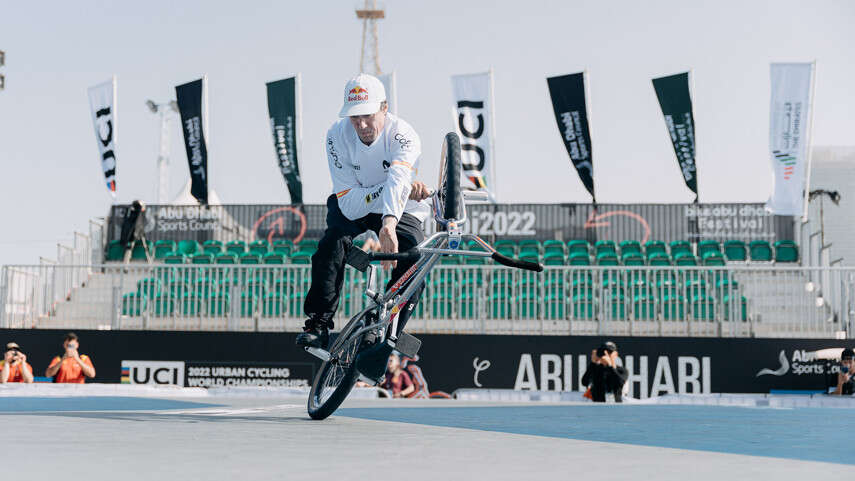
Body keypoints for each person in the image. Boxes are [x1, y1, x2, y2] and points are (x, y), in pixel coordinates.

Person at [296, 73, 432, 350]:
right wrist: (395, 186)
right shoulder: (336, 135)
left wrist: (389, 223)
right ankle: (319, 323)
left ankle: (388, 326)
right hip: (358, 205)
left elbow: (396, 182)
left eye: (368, 115)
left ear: (384, 107)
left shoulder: (404, 135)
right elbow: (348, 202)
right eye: (354, 117)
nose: (361, 124)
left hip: (401, 209)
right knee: (330, 245)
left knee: (416, 259)